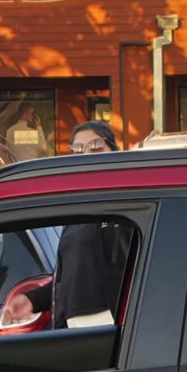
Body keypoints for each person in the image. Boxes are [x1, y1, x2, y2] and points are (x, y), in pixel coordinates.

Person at [52, 120, 134, 326]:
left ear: (113, 151)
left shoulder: (126, 199)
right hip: (73, 324)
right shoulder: (75, 207)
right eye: (78, 149)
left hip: (113, 320)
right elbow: (70, 276)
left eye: (96, 146)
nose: (87, 155)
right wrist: (31, 300)